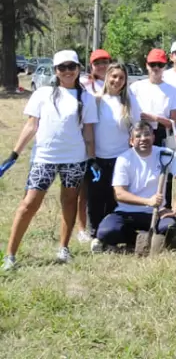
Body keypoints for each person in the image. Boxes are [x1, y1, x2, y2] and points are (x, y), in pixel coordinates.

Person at [1, 50, 98, 270]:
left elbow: (89, 132)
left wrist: (91, 160)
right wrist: (14, 154)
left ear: (78, 69)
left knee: (69, 201)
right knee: (28, 204)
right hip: (44, 158)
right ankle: (10, 255)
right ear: (55, 71)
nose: (67, 71)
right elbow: (31, 126)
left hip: (74, 159)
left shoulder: (87, 98)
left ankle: (63, 248)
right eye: (62, 67)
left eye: (71, 67)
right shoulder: (42, 94)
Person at [95, 122, 176, 251]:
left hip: (157, 213)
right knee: (106, 232)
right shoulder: (124, 159)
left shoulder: (165, 154)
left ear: (153, 137)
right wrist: (148, 201)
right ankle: (140, 239)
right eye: (138, 136)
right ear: (131, 141)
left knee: (168, 228)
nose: (143, 139)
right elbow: (119, 194)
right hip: (127, 212)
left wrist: (174, 209)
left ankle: (149, 239)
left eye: (147, 134)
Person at [88, 63, 141, 253]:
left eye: (121, 77)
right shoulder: (96, 101)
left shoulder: (129, 102)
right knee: (96, 199)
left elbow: (136, 129)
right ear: (107, 77)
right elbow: (90, 131)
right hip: (99, 159)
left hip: (121, 159)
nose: (117, 81)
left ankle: (110, 236)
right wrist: (92, 156)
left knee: (115, 200)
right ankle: (95, 235)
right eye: (114, 76)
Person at [75, 48, 112, 243]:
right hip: (86, 140)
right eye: (97, 63)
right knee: (84, 188)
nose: (102, 66)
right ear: (91, 65)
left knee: (104, 188)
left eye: (105, 62)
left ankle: (104, 223)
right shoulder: (84, 84)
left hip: (107, 142)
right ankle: (82, 228)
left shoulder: (115, 81)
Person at [130, 48, 176, 148]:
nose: (156, 68)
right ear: (147, 65)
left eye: (160, 65)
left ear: (164, 67)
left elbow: (174, 122)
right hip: (139, 133)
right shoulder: (135, 87)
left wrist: (155, 118)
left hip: (161, 135)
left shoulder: (172, 91)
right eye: (152, 64)